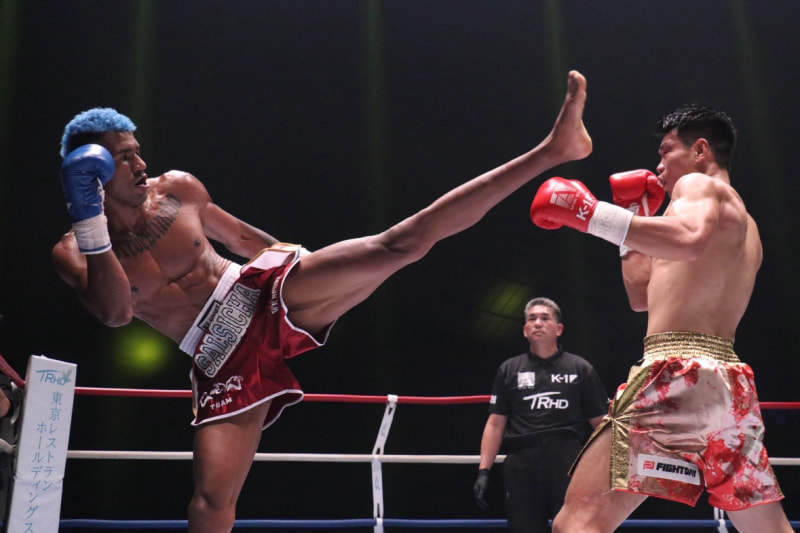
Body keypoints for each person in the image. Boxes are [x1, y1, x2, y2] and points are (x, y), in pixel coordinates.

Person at [51, 71, 592, 532]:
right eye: (124, 156)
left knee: (398, 244)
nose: (141, 163)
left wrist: (313, 269)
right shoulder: (75, 250)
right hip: (215, 350)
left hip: (255, 292)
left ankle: (552, 150)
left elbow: (242, 239)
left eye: (138, 150)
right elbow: (116, 312)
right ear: (92, 171)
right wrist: (90, 217)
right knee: (211, 504)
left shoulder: (177, 188)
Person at [529, 104, 793, 532]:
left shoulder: (699, 186)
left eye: (666, 151)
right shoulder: (747, 227)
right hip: (730, 388)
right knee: (768, 529)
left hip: (676, 373)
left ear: (700, 150)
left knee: (576, 523)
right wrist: (635, 218)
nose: (659, 166)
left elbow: (688, 240)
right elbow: (641, 295)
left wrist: (590, 214)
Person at [473, 297, 607, 533]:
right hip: (522, 460)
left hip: (567, 459)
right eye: (532, 319)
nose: (538, 323)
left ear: (559, 329)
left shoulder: (580, 368)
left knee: (573, 527)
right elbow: (495, 424)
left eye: (545, 318)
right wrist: (484, 471)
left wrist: (608, 468)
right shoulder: (509, 369)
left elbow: (601, 423)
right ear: (525, 330)